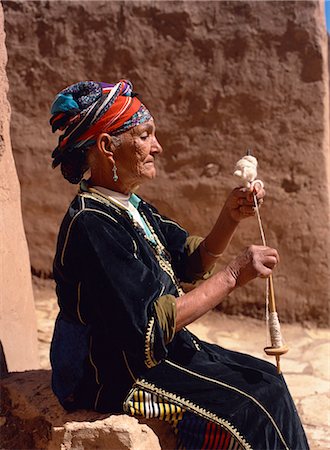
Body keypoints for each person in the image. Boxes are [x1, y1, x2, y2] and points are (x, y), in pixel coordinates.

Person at [50, 80, 309, 450]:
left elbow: (190, 262)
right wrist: (234, 275)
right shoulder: (91, 223)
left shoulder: (131, 206)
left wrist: (230, 216)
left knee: (267, 378)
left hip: (154, 353)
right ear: (108, 146)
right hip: (109, 371)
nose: (157, 146)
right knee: (253, 405)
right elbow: (150, 326)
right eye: (145, 135)